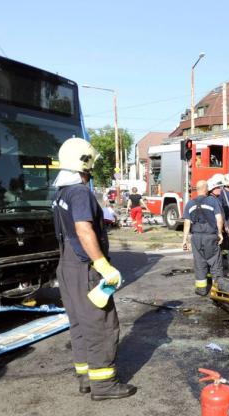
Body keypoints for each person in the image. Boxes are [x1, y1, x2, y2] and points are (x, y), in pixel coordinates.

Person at [51, 137, 134, 401]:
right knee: (102, 324)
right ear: (84, 165)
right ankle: (104, 385)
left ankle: (86, 377)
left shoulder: (61, 193)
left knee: (79, 323)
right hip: (85, 267)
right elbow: (83, 228)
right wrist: (103, 265)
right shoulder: (79, 192)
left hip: (67, 267)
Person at [182, 179, 224, 296]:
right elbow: (219, 219)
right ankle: (217, 291)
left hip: (196, 238)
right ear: (206, 189)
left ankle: (201, 290)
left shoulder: (190, 203)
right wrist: (220, 233)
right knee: (215, 263)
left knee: (199, 263)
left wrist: (184, 240)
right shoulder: (212, 201)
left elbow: (186, 223)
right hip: (210, 236)